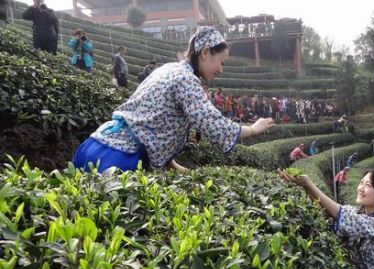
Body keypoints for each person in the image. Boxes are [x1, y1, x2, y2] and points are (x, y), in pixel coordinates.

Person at [73, 26, 275, 173]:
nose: (221, 70)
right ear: (205, 53)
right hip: (117, 157)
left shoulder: (170, 68)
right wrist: (252, 129)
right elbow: (212, 124)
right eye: (221, 62)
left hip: (96, 145)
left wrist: (173, 166)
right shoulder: (186, 80)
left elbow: (154, 120)